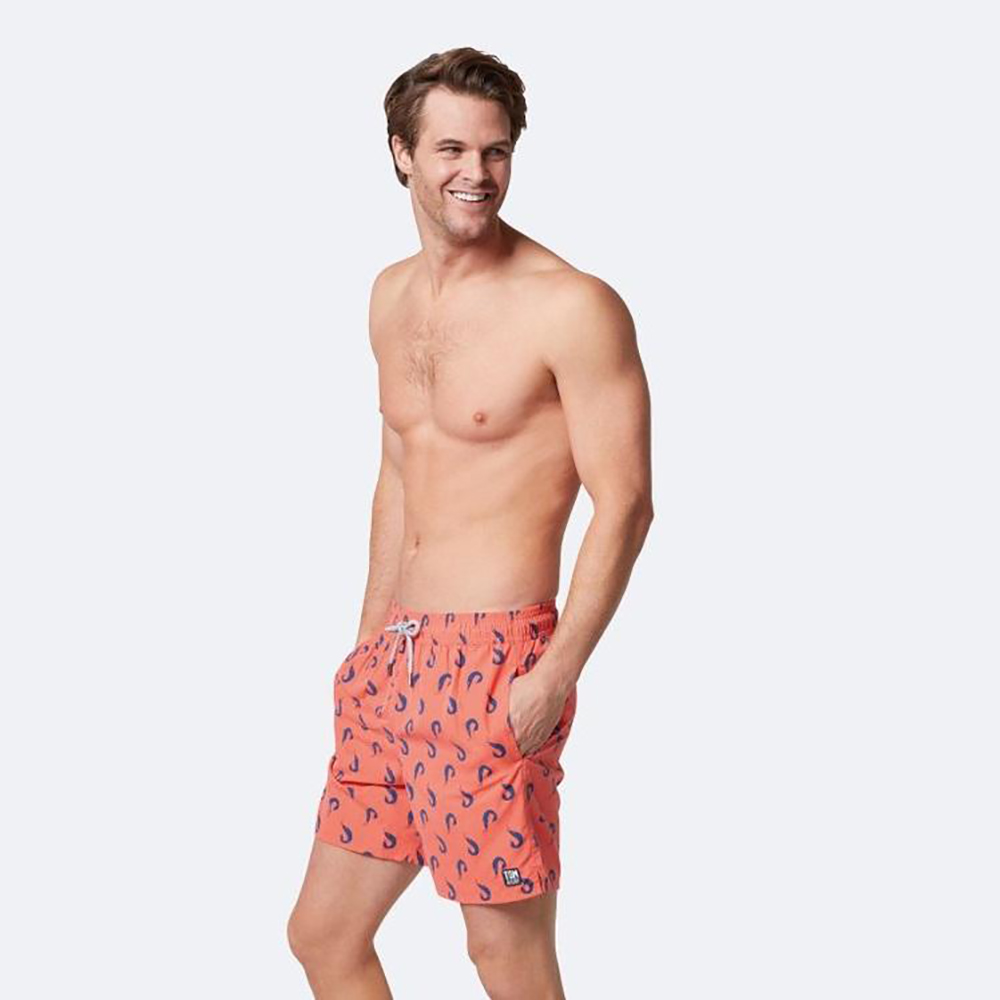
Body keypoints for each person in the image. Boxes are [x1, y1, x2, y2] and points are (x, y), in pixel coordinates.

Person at [288, 46, 653, 999]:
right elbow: (400, 471)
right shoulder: (390, 295)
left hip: (497, 662)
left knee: (503, 955)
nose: (476, 173)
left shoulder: (571, 306)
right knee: (324, 935)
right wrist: (368, 645)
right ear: (401, 153)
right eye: (451, 149)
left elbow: (625, 502)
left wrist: (554, 676)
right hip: (394, 661)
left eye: (495, 151)